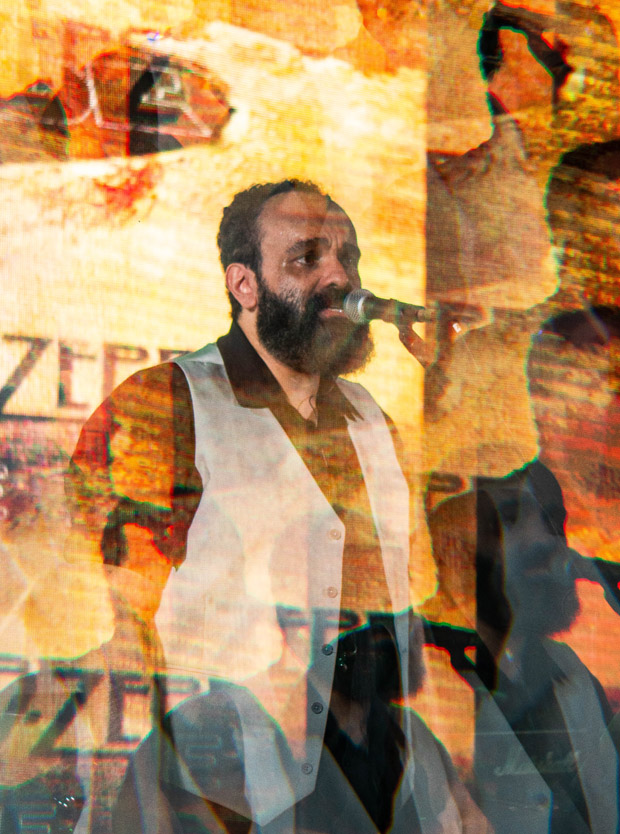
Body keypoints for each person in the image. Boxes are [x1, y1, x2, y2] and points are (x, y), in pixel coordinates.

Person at [68, 180, 484, 833]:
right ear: (245, 285)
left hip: (356, 772)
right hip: (213, 781)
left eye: (347, 257)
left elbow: (407, 605)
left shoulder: (374, 421)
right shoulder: (163, 403)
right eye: (306, 259)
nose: (339, 278)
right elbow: (118, 628)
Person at [474, 460, 619, 834]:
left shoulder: (570, 672)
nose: (543, 540)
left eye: (552, 520)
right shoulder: (442, 684)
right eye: (508, 518)